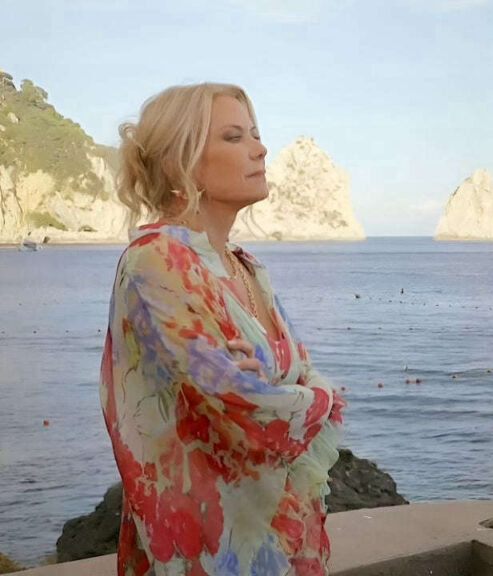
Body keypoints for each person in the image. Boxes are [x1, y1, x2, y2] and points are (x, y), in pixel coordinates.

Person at [100, 83, 345, 576]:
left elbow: (293, 376)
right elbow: (251, 412)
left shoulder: (247, 266)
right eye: (234, 137)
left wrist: (286, 388)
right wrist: (318, 396)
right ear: (182, 162)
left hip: (277, 542)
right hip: (204, 553)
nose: (261, 148)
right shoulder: (157, 261)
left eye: (255, 133)